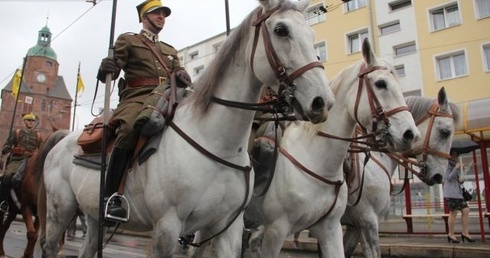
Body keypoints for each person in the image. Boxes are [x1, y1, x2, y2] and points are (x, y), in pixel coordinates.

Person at [96, 0, 190, 224]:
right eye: (156, 13)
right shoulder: (128, 40)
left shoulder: (170, 50)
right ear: (143, 18)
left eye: (163, 14)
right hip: (137, 96)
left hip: (167, 96)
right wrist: (105, 69)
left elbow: (178, 71)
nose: (161, 17)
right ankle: (110, 197)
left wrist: (183, 74)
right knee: (129, 128)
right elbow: (114, 69)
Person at [0, 113, 42, 212]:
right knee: (7, 178)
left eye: (32, 121)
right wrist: (7, 148)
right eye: (28, 120)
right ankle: (3, 202)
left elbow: (41, 150)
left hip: (31, 160)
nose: (30, 122)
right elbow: (7, 145)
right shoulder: (17, 132)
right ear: (24, 121)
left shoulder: (38, 136)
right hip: (17, 160)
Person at [443, 150, 475, 243]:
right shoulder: (447, 164)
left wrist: (460, 179)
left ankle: (465, 232)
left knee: (466, 210)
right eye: (453, 155)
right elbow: (448, 178)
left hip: (458, 193)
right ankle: (451, 234)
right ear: (450, 155)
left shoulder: (454, 165)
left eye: (457, 155)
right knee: (453, 212)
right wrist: (456, 168)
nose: (455, 156)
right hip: (451, 193)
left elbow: (454, 178)